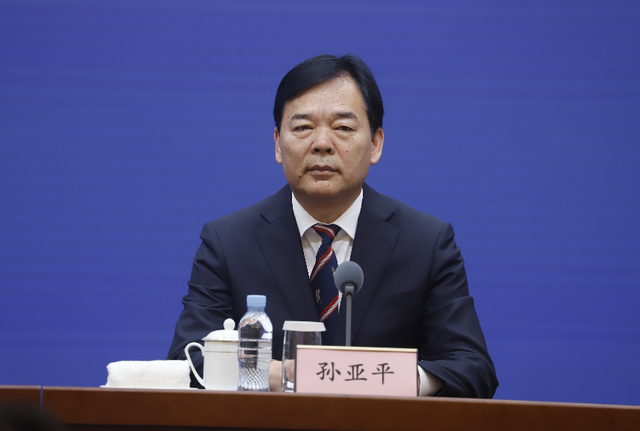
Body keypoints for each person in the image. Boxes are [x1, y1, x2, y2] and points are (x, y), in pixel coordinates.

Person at [167, 54, 498, 398]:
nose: (322, 143)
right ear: (278, 144)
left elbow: (472, 368)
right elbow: (185, 361)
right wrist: (277, 373)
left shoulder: (426, 243)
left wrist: (389, 379)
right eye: (303, 128)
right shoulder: (228, 243)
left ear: (375, 144)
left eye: (343, 128)